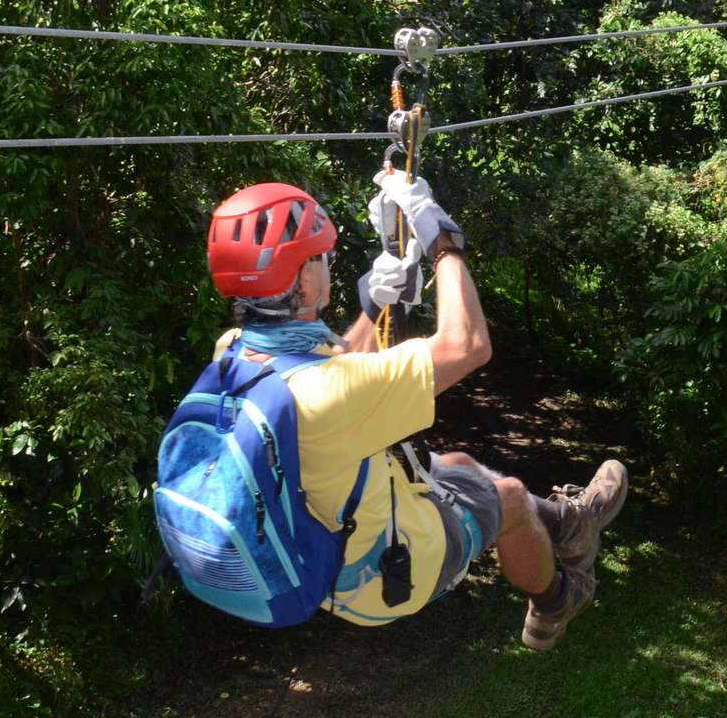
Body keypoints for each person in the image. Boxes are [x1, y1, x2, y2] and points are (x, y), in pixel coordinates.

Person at [200, 174, 626, 649]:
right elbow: (467, 345)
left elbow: (332, 368)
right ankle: (557, 600)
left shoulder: (236, 354)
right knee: (509, 497)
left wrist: (376, 299)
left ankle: (572, 523)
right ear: (301, 279)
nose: (329, 265)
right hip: (383, 573)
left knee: (461, 465)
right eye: (321, 258)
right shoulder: (329, 395)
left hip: (331, 543)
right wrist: (441, 238)